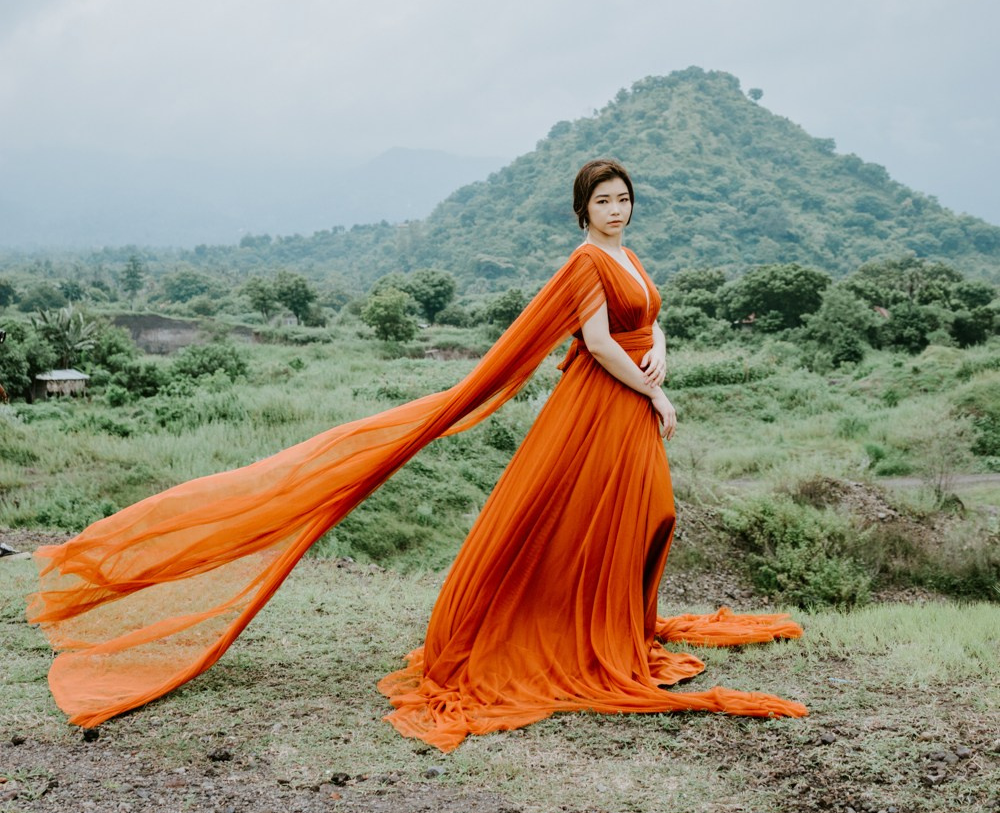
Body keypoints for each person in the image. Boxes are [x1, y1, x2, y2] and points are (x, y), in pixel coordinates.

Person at [28, 159, 806, 743]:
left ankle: (615, 624)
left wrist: (661, 346)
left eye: (624, 199)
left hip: (629, 397)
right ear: (583, 211)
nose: (616, 209)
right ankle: (573, 629)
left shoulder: (631, 256)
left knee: (644, 515)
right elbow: (596, 340)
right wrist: (654, 389)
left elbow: (646, 317)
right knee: (610, 515)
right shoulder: (585, 261)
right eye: (604, 201)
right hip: (605, 403)